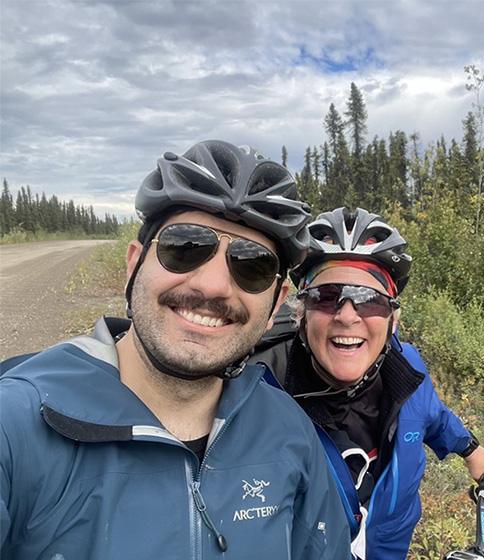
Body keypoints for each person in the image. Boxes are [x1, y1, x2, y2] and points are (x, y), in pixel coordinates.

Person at [0, 141, 352, 560]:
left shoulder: (291, 434)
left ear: (277, 303)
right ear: (134, 265)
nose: (212, 286)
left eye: (252, 265)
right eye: (185, 247)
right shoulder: (18, 421)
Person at [250, 206, 484, 560]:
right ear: (301, 313)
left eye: (368, 300)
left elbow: (431, 414)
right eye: (326, 297)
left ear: (393, 318)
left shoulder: (407, 367)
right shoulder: (257, 392)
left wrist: (471, 449)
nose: (346, 316)